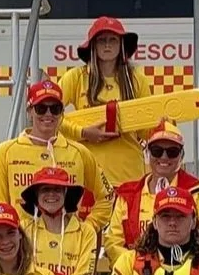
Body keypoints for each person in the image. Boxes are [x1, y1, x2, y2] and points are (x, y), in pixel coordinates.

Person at [104, 123, 199, 254]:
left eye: (172, 152)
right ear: (147, 152)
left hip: (185, 271)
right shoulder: (128, 195)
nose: (164, 157)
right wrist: (138, 262)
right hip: (137, 272)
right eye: (157, 150)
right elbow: (113, 242)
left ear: (182, 155)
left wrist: (174, 252)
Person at [53, 14, 144, 192]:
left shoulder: (137, 80)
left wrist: (165, 123)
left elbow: (145, 130)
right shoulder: (76, 77)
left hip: (129, 177)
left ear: (122, 45)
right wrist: (83, 132)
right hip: (88, 177)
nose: (108, 45)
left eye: (113, 40)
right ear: (92, 45)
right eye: (102, 40)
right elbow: (48, 117)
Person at [0, 78, 103, 213]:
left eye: (55, 109)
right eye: (41, 108)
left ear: (62, 113)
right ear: (30, 111)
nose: (48, 114)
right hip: (24, 233)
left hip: (66, 233)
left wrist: (88, 227)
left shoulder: (80, 152)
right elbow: (0, 206)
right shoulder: (5, 152)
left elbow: (107, 196)